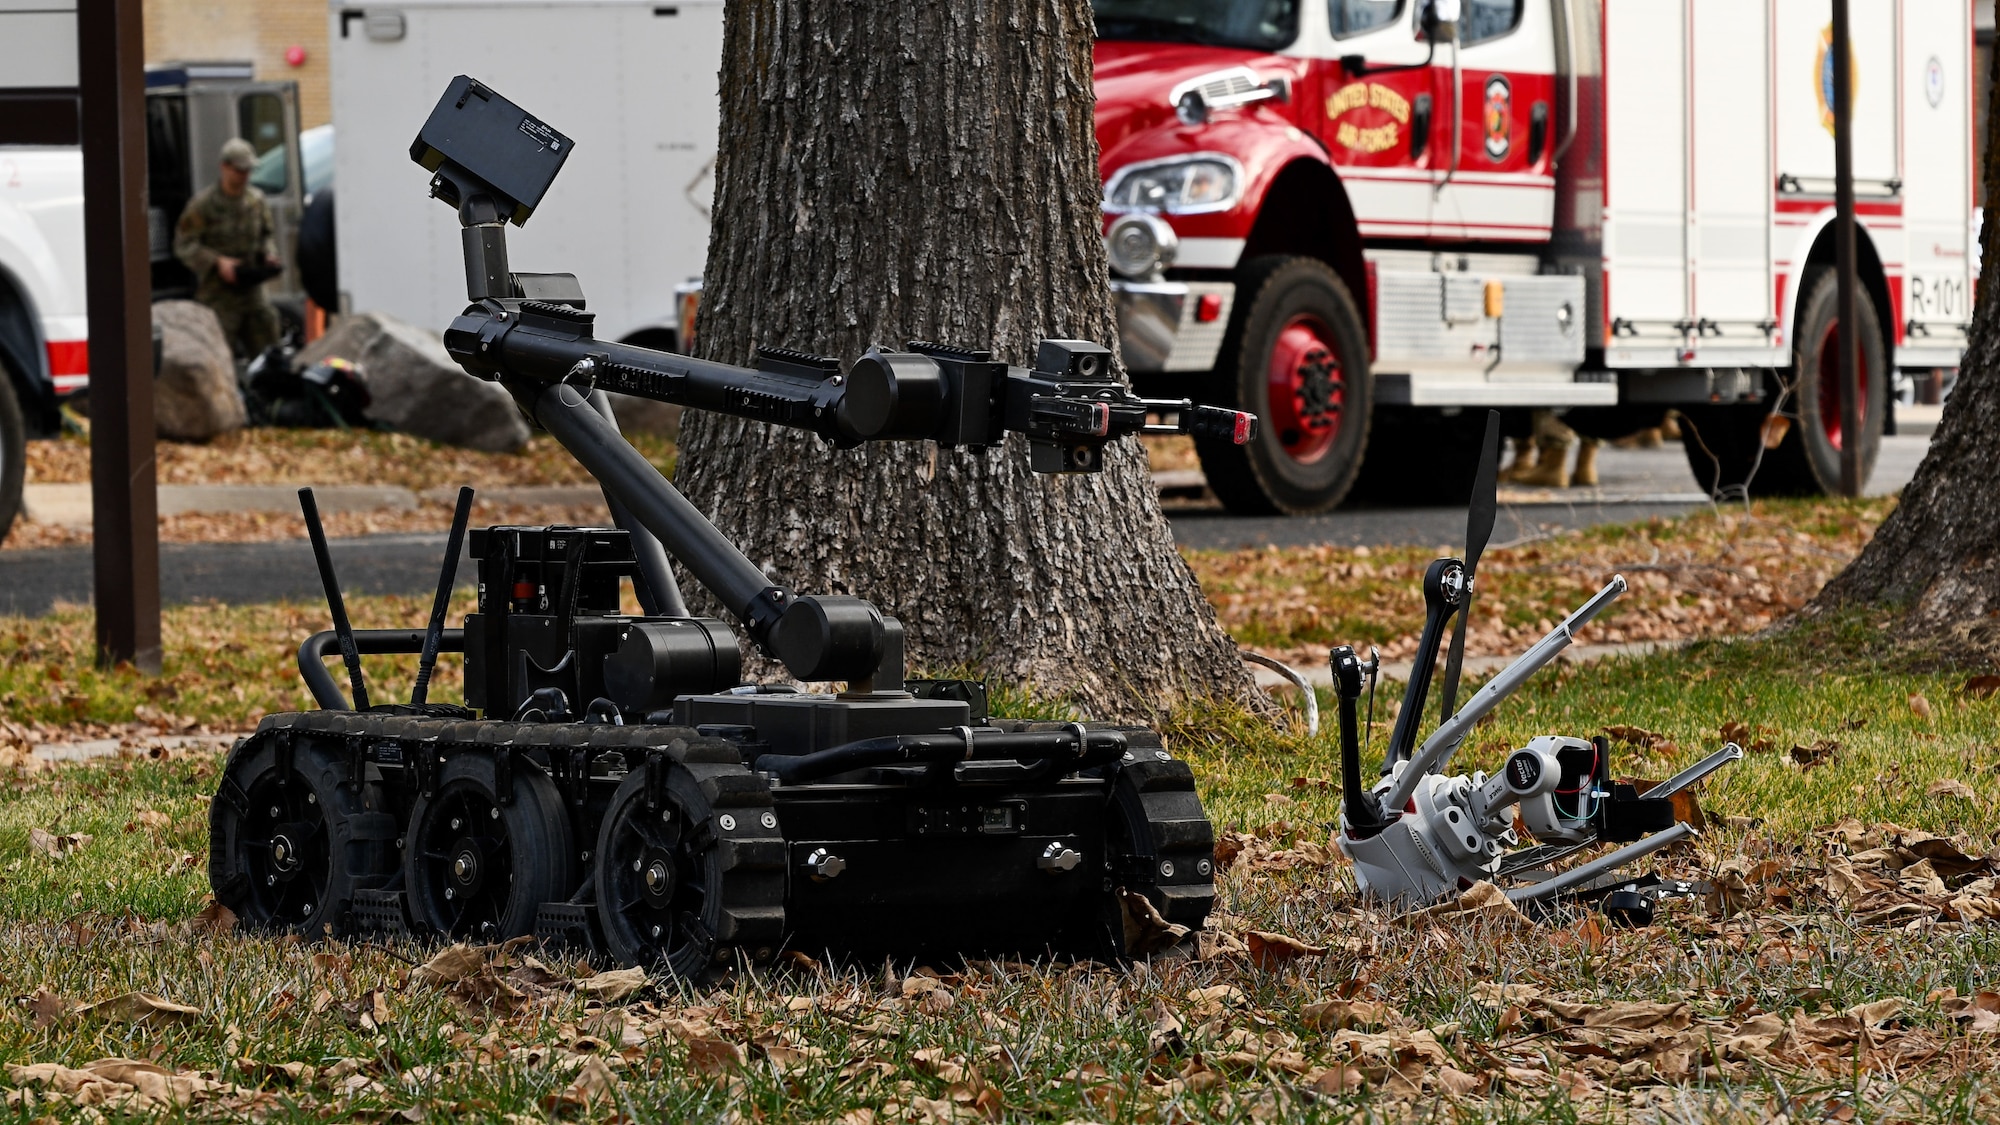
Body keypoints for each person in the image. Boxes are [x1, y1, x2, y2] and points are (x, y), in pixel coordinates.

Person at [174, 137, 283, 359]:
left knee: (270, 354)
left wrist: (269, 254)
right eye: (240, 170)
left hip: (253, 295)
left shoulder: (256, 201)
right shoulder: (203, 205)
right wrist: (217, 261)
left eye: (249, 171)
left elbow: (267, 234)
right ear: (224, 167)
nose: (245, 176)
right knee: (217, 359)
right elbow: (183, 245)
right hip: (219, 298)